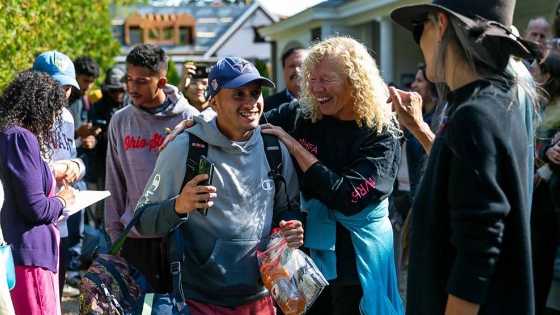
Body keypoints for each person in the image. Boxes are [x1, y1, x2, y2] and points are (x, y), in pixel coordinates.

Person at [390, 0, 543, 313]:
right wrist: (419, 128)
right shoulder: (497, 102)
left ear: (443, 25)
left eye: (420, 27)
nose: (418, 40)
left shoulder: (475, 117)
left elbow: (477, 254)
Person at [134, 56, 303, 315]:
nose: (250, 102)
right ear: (214, 102)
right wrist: (179, 207)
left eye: (255, 93)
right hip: (199, 300)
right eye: (238, 94)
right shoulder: (185, 147)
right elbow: (143, 221)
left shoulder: (274, 147)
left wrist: (290, 226)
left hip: (261, 297)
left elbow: (286, 210)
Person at [260, 36, 403, 315]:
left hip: (358, 260)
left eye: (325, 80)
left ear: (354, 80)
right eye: (311, 79)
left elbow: (347, 197)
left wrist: (296, 147)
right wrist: (196, 124)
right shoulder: (305, 114)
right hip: (309, 260)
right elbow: (248, 121)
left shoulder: (382, 133)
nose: (315, 89)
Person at [104, 44, 199, 293]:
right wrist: (116, 238)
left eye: (142, 81)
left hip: (180, 235)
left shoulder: (188, 117)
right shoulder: (120, 120)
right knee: (140, 308)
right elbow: (114, 182)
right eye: (129, 79)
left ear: (161, 81)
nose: (133, 88)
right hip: (134, 239)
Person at [0, 71, 76, 315]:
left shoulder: (9, 136)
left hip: (25, 256)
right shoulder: (20, 138)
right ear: (35, 108)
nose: (52, 125)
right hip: (28, 258)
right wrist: (62, 201)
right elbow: (36, 208)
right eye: (51, 115)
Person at [32, 50, 87, 298]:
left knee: (55, 295)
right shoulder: (21, 119)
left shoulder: (66, 116)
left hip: (62, 220)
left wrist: (76, 166)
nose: (61, 94)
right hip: (35, 225)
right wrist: (54, 170)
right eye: (55, 86)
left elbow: (72, 155)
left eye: (66, 88)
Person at [529, 51, 560, 315]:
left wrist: (544, 173)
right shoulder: (535, 103)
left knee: (541, 262)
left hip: (547, 192)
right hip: (532, 187)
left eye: (535, 69)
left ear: (547, 76)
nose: (530, 72)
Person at [89, 66, 129, 222]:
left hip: (128, 165)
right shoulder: (97, 107)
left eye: (121, 90)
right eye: (113, 91)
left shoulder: (132, 105)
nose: (118, 94)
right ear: (106, 88)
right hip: (104, 167)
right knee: (107, 211)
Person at [264, 47, 308, 112]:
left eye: (301, 65)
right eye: (291, 66)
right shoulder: (268, 105)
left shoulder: (321, 102)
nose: (296, 70)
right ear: (284, 70)